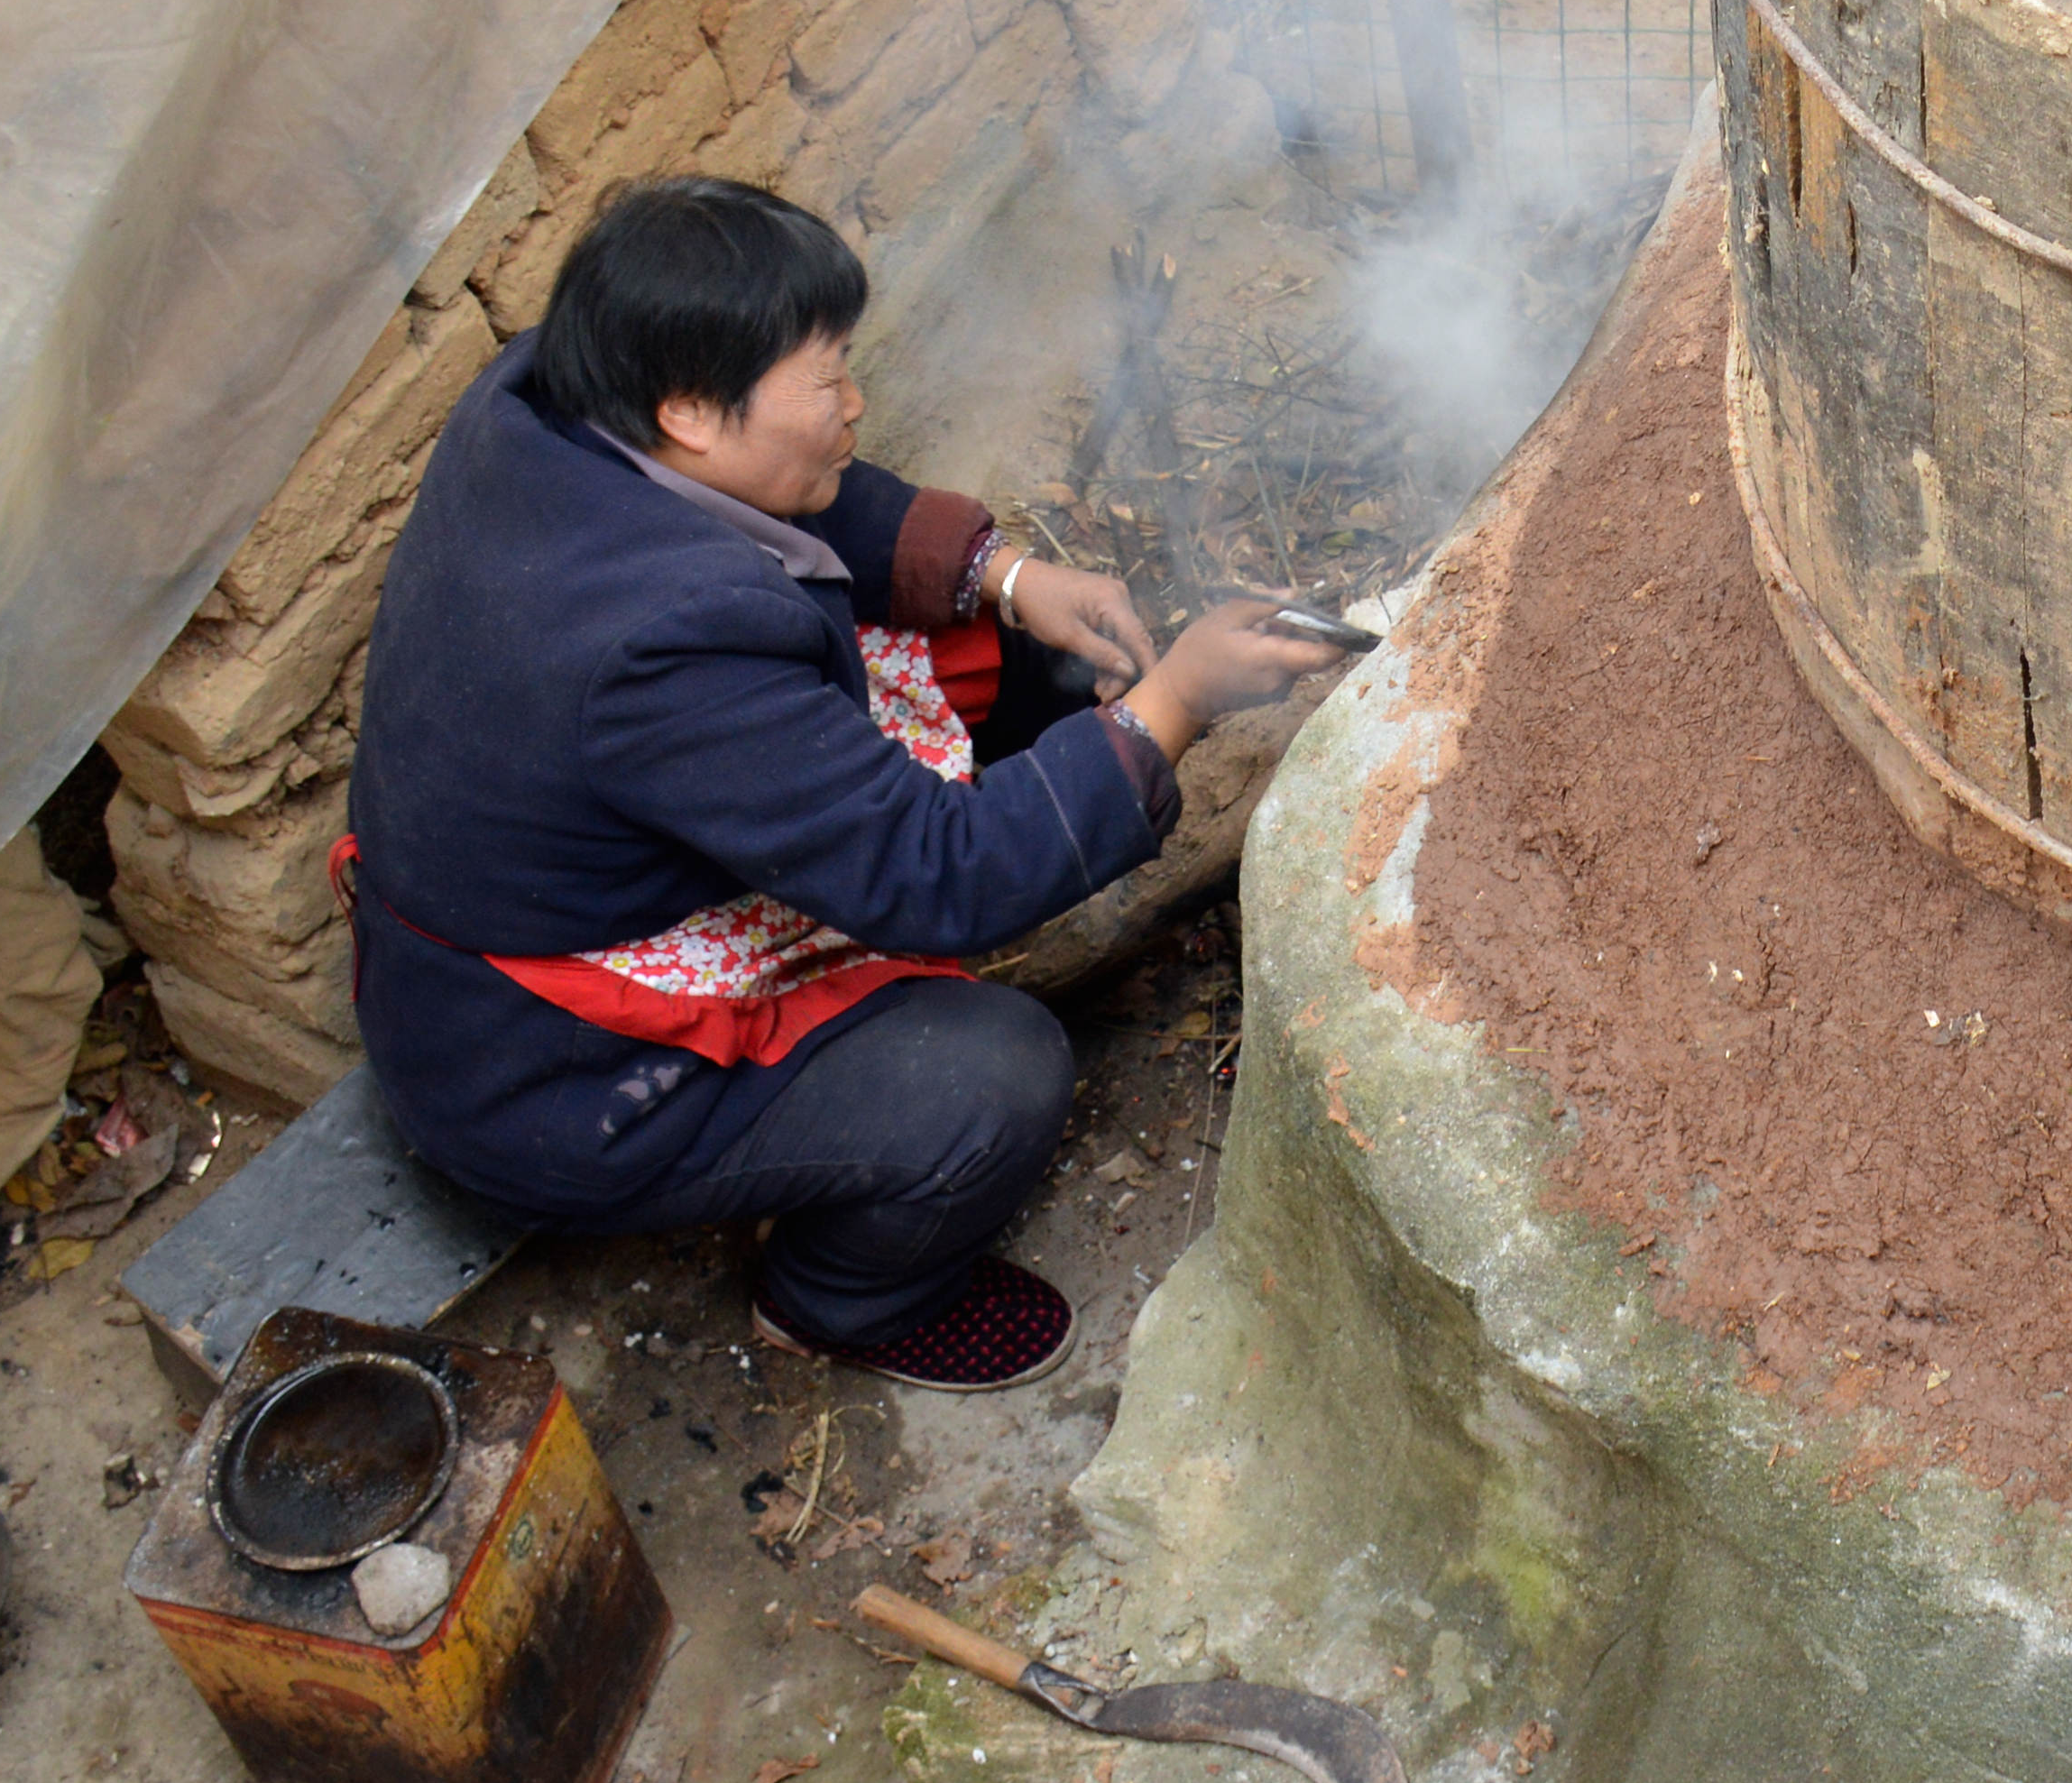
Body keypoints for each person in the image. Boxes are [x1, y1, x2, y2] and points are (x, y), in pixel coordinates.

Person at [343, 175, 1338, 1391]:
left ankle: (1050, 790)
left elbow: (811, 495)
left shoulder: (563, 391)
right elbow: (939, 877)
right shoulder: (660, 644)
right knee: (994, 1079)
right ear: (694, 413)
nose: (855, 404)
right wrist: (1174, 703)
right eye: (828, 380)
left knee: (1000, 641)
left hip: (572, 879)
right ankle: (836, 1304)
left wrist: (1014, 577)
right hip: (558, 1074)